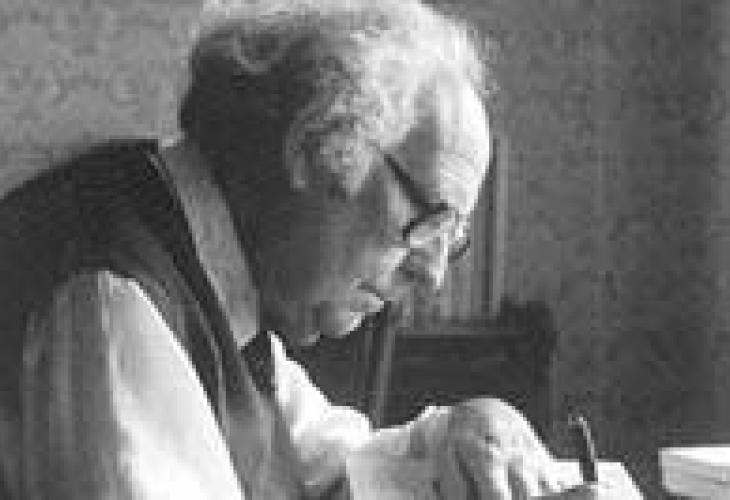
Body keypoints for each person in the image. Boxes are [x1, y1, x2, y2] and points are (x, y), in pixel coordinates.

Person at [0, 0, 628, 498]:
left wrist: (466, 429)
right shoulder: (115, 299)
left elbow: (322, 461)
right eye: (427, 220)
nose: (433, 273)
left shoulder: (211, 259)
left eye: (452, 238)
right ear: (317, 147)